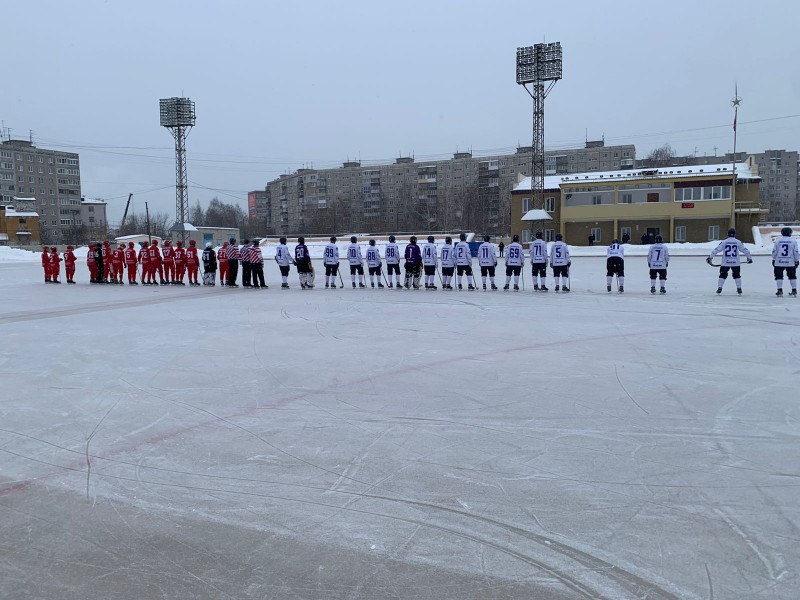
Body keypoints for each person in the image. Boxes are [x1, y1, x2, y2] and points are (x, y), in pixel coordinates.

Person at [707, 228, 752, 294]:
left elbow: (716, 250)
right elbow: (746, 251)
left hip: (725, 262)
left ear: (727, 234)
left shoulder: (724, 242)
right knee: (737, 275)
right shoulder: (738, 242)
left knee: (722, 275)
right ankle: (739, 288)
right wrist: (749, 258)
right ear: (734, 234)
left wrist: (710, 258)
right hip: (735, 263)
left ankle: (720, 287)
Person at [771, 226, 799, 297]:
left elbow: (774, 251)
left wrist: (774, 259)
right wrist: (797, 260)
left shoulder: (778, 241)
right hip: (790, 262)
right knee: (792, 276)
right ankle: (794, 290)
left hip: (779, 262)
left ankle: (780, 290)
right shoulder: (793, 241)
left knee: (778, 276)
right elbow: (795, 252)